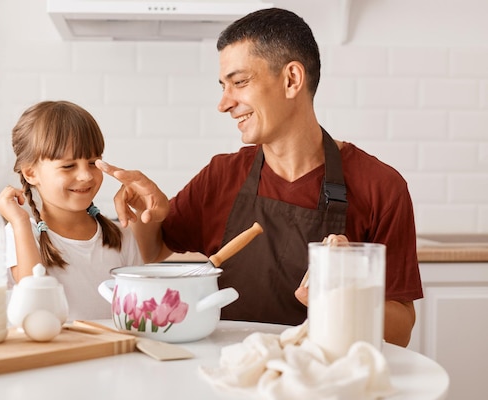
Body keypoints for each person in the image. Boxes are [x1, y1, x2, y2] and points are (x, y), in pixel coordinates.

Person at [96, 7, 423, 347]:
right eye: (224, 86)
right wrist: (151, 214)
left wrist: (342, 292)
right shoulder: (221, 175)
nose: (224, 103)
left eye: (239, 82)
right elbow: (153, 250)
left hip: (321, 384)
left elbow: (400, 332)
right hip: (228, 373)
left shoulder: (381, 187)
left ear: (291, 80)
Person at [0, 100, 143, 320]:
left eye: (93, 162)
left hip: (113, 352)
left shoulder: (120, 236)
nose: (85, 175)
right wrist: (18, 222)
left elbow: (138, 310)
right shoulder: (22, 234)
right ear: (31, 173)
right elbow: (32, 299)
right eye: (68, 166)